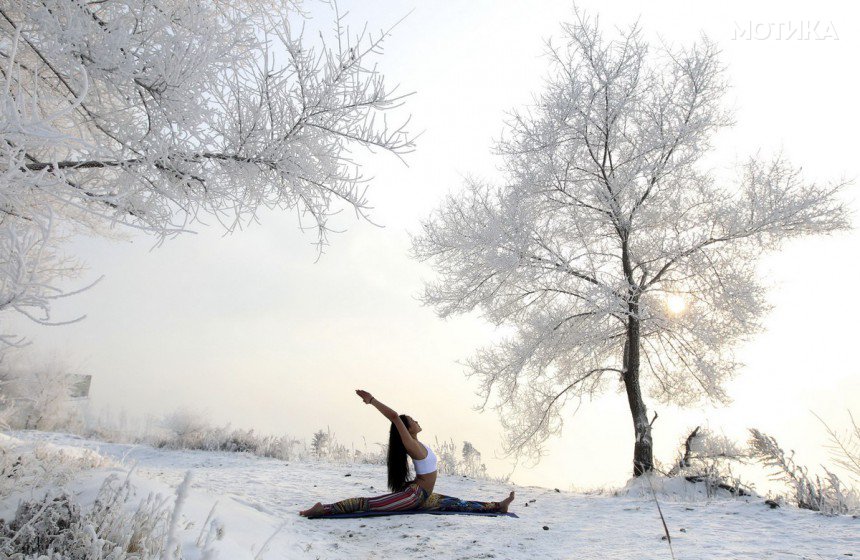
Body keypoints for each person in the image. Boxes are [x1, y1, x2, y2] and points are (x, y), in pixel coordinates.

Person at [298, 389, 515, 518]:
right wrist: (372, 400)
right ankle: (324, 509)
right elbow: (394, 416)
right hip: (414, 496)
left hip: (423, 496)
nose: (417, 421)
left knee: (459, 503)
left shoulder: (419, 444)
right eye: (412, 421)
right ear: (408, 429)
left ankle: (498, 506)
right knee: (369, 504)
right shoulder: (411, 444)